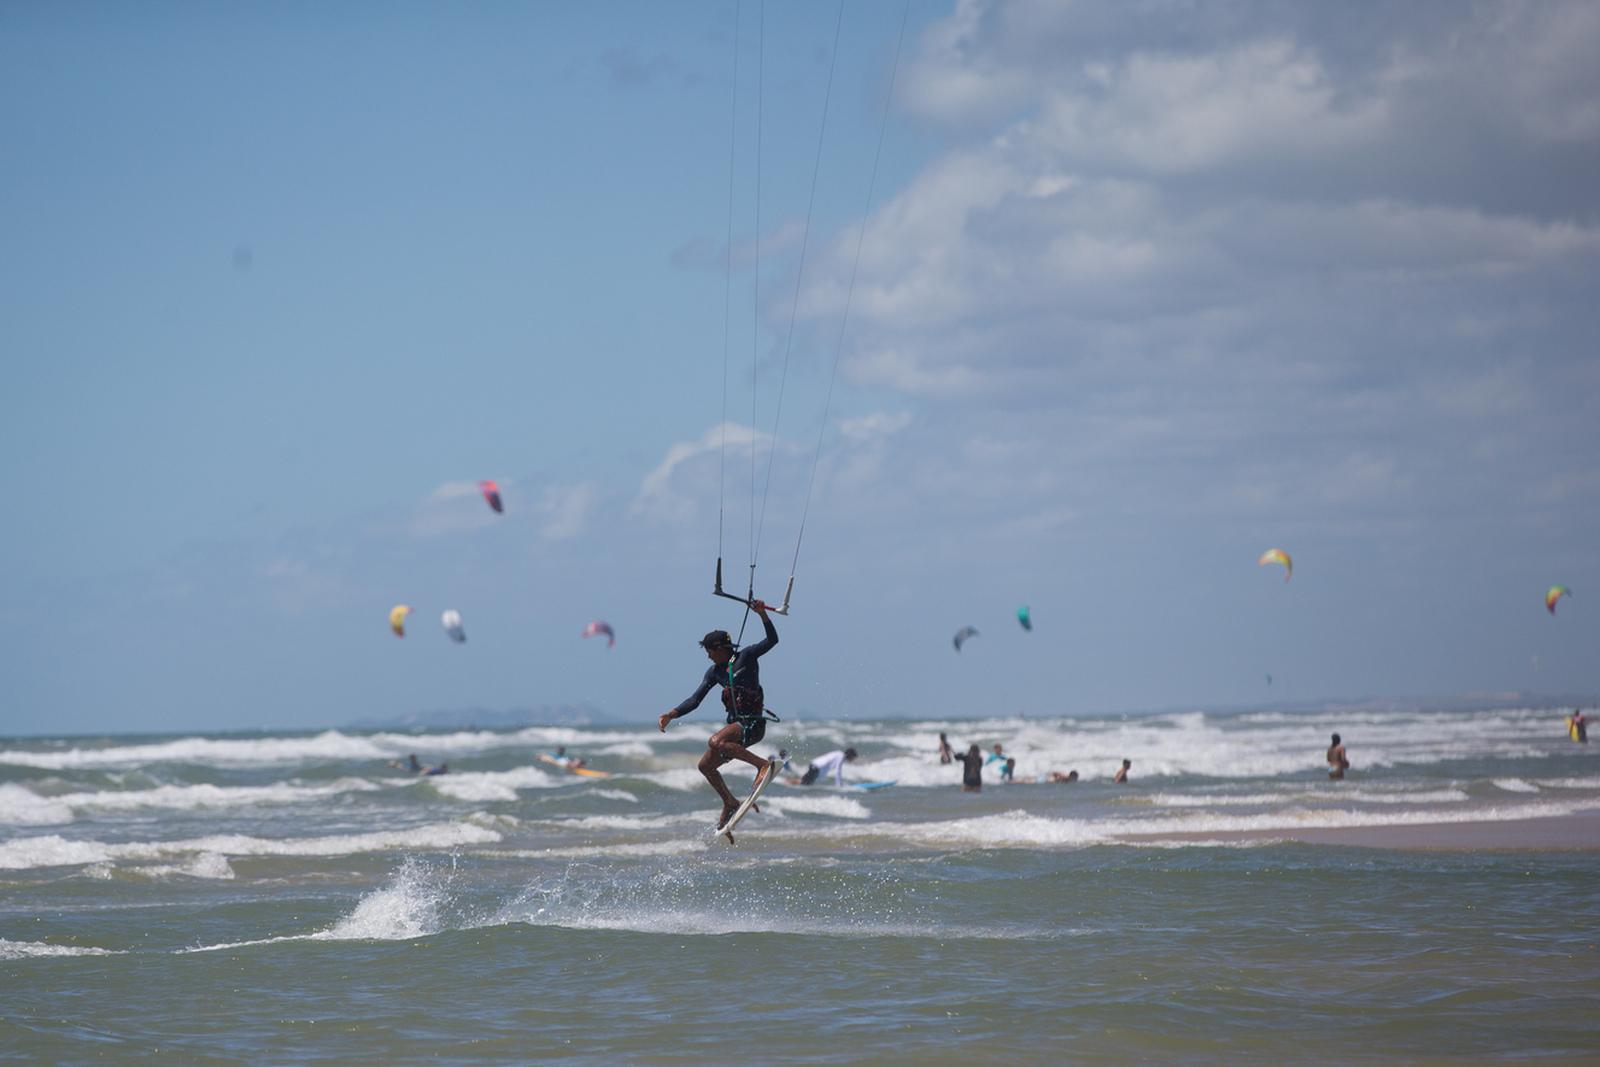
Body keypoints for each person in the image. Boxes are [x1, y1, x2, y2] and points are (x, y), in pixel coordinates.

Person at [658, 599, 781, 829]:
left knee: (716, 741)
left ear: (719, 649)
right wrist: (671, 714)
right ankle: (730, 802)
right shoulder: (714, 672)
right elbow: (695, 700)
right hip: (736, 727)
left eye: (709, 652)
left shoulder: (747, 656)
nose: (708, 657)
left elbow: (772, 640)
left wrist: (762, 614)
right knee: (705, 765)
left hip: (752, 725)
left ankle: (763, 765)